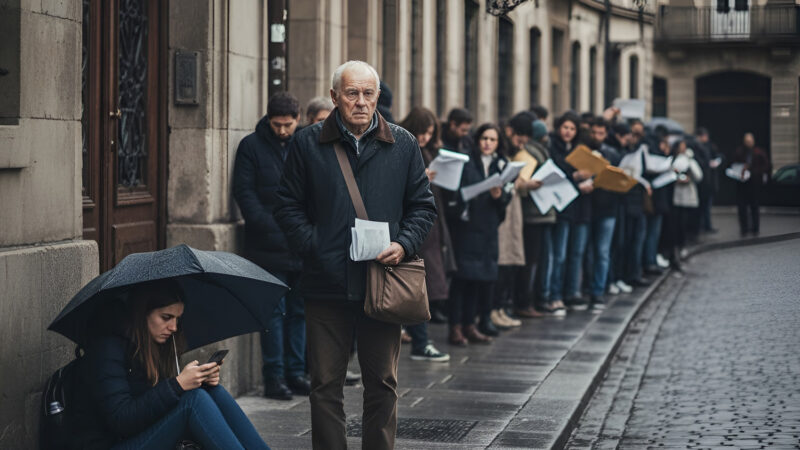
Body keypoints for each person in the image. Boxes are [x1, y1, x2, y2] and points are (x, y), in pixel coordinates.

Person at [274, 60, 436, 450]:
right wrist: (316, 246)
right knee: (325, 385)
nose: (360, 102)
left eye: (367, 93)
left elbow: (423, 207)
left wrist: (404, 244)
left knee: (382, 383)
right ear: (334, 97)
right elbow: (287, 206)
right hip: (326, 283)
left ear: (378, 96)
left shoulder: (403, 143)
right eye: (351, 93)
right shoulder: (307, 142)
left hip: (383, 284)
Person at [71, 280, 270, 450]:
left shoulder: (154, 343)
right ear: (142, 314)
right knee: (194, 400)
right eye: (166, 318)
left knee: (211, 391)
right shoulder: (107, 349)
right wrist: (177, 385)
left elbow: (154, 403)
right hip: (113, 443)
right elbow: (121, 420)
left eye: (177, 319)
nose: (173, 327)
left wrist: (199, 380)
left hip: (138, 436)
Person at [232, 92, 309, 401]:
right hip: (267, 245)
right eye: (277, 124)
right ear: (268, 118)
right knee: (274, 313)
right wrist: (277, 231)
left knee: (300, 312)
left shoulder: (306, 144)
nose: (282, 131)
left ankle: (297, 372)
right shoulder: (251, 146)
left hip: (302, 246)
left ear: (298, 119)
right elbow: (245, 194)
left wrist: (306, 233)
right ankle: (274, 377)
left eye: (287, 125)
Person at [446, 123, 511, 345]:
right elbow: (457, 191)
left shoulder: (500, 165)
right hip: (467, 227)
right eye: (484, 138)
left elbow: (505, 201)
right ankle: (455, 327)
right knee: (462, 280)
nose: (488, 143)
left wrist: (498, 196)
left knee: (479, 279)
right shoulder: (467, 162)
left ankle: (469, 325)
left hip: (488, 229)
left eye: (493, 140)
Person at [397, 106, 452, 362]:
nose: (424, 138)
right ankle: (420, 340)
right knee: (416, 287)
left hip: (428, 227)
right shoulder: (403, 147)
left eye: (429, 133)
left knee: (423, 287)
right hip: (410, 229)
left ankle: (420, 338)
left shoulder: (429, 152)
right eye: (421, 132)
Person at [492, 112, 537, 331]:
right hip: (502, 211)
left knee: (511, 261)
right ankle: (495, 309)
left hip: (513, 209)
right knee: (502, 259)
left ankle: (501, 307)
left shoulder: (516, 153)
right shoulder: (502, 151)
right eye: (519, 139)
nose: (521, 144)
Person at [547, 113, 593, 315]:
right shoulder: (552, 147)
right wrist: (575, 177)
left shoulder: (580, 150)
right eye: (565, 127)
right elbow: (554, 173)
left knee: (576, 253)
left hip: (581, 208)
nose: (568, 132)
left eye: (572, 129)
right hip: (562, 208)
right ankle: (555, 295)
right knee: (560, 254)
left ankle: (572, 292)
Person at [515, 119, 553, 318]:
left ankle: (531, 300)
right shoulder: (528, 153)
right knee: (531, 262)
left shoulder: (538, 151)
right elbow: (521, 183)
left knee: (537, 261)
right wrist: (529, 185)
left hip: (541, 213)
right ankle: (524, 301)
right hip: (534, 215)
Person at [586, 118, 621, 312]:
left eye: (600, 133)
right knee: (588, 252)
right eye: (594, 133)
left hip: (608, 208)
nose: (597, 137)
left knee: (602, 252)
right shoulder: (583, 152)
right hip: (587, 208)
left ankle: (597, 291)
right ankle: (589, 288)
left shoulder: (613, 154)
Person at [733, 132, 769, 236]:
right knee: (742, 208)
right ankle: (744, 228)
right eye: (746, 141)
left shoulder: (759, 152)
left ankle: (755, 228)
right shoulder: (739, 152)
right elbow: (734, 164)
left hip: (754, 184)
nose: (748, 143)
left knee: (754, 207)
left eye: (750, 141)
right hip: (742, 184)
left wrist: (753, 171)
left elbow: (766, 166)